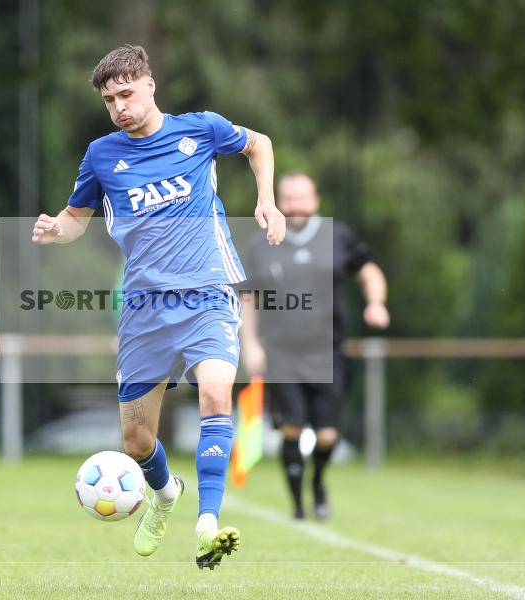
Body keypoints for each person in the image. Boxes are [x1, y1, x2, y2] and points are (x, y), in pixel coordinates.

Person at [31, 45, 285, 568]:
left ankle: (208, 524)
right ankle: (166, 493)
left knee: (217, 392)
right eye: (109, 100)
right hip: (144, 306)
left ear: (149, 85)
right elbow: (77, 216)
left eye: (125, 94)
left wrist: (266, 197)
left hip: (209, 291)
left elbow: (259, 144)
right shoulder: (102, 154)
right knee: (135, 439)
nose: (119, 107)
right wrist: (58, 230)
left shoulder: (202, 129)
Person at [240, 171, 389, 520]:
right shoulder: (261, 245)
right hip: (281, 351)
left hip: (329, 351)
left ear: (315, 200)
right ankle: (297, 506)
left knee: (326, 435)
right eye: (287, 199)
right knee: (291, 429)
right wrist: (250, 344)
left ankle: (318, 481)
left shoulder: (337, 236)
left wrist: (376, 302)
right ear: (278, 200)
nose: (294, 207)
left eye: (301, 198)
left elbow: (369, 272)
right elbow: (247, 298)